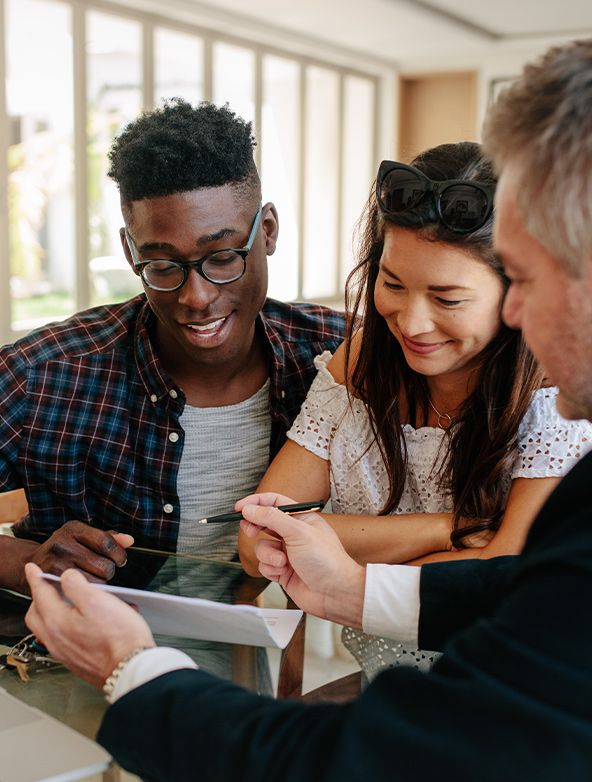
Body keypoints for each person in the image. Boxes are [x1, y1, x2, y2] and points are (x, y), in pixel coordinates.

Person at [25, 35, 592, 782]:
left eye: (523, 282)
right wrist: (355, 591)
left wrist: (129, 667)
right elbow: (526, 586)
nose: (511, 321)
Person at [238, 141, 592, 680]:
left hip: (521, 699)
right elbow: (259, 542)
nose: (411, 322)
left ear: (517, 291)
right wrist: (447, 529)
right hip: (386, 692)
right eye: (392, 284)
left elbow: (504, 574)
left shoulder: (556, 390)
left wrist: (339, 557)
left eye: (447, 299)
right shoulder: (358, 366)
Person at [0, 99, 344, 594]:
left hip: (250, 661)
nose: (196, 297)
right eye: (162, 267)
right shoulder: (47, 375)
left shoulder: (336, 359)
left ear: (266, 231)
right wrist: (27, 561)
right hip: (73, 660)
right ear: (129, 251)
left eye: (223, 257)